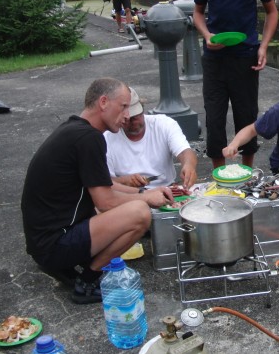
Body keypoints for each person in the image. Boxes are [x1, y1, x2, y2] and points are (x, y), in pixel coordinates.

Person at [21, 78, 174, 304]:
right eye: (123, 107)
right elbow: (105, 202)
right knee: (140, 214)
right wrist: (145, 198)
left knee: (135, 204)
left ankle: (78, 265)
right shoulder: (89, 138)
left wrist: (150, 192)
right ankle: (88, 280)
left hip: (43, 243)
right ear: (103, 102)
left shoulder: (74, 130)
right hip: (54, 245)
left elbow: (107, 186)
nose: (127, 116)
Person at [193, 0, 278, 169]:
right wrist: (207, 36)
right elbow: (198, 13)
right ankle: (220, 173)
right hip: (214, 56)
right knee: (214, 117)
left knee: (246, 113)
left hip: (246, 54)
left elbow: (272, 12)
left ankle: (247, 170)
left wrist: (263, 46)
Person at [104, 87, 198, 189]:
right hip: (128, 194)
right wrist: (124, 181)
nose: (134, 121)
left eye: (137, 115)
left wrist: (188, 165)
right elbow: (104, 182)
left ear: (142, 109)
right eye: (128, 119)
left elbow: (184, 151)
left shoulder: (164, 124)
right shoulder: (107, 138)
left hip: (167, 188)